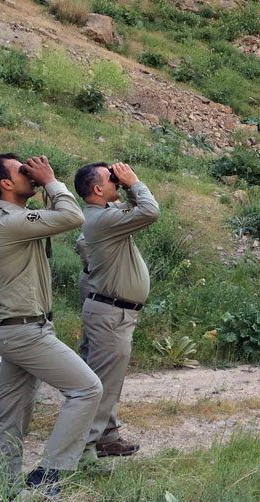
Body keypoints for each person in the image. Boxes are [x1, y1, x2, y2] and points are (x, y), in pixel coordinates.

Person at [0, 153, 102, 498]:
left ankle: (2, 493)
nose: (30, 173)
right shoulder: (9, 221)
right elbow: (72, 215)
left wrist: (43, 184)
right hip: (24, 331)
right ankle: (49, 476)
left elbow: (58, 216)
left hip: (17, 328)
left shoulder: (15, 218)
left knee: (12, 416)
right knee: (87, 389)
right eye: (22, 171)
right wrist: (49, 180)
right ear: (6, 184)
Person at [75, 162, 160, 463]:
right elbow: (150, 211)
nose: (117, 180)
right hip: (111, 314)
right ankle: (83, 453)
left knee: (109, 383)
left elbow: (133, 208)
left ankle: (106, 437)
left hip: (114, 313)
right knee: (99, 386)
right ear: (98, 189)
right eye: (112, 179)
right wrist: (134, 181)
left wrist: (127, 187)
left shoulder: (104, 216)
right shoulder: (102, 219)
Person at [74, 233, 92, 361]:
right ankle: (87, 361)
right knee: (91, 326)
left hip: (100, 280)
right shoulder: (98, 218)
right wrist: (95, 267)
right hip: (92, 279)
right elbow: (82, 243)